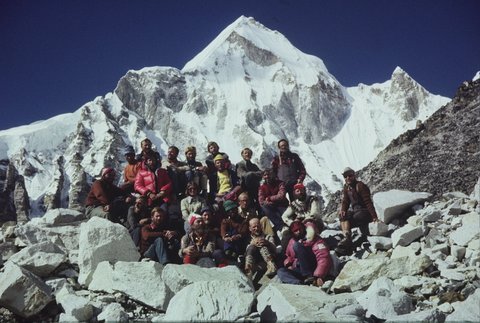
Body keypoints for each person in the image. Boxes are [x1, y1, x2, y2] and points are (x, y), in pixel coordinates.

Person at [335, 167, 379, 256]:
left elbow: (368, 202)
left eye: (350, 175)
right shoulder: (346, 188)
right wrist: (343, 210)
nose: (348, 178)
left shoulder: (360, 185)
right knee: (342, 216)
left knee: (355, 216)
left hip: (364, 212)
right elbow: (345, 201)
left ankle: (347, 242)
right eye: (345, 176)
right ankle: (347, 238)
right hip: (356, 212)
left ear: (354, 175)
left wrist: (374, 217)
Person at [277, 221, 331, 287]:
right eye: (295, 231)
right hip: (300, 269)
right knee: (281, 271)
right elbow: (289, 256)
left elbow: (323, 257)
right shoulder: (292, 241)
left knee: (297, 246)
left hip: (313, 268)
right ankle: (301, 285)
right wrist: (289, 264)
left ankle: (309, 276)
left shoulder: (315, 239)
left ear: (303, 228)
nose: (298, 232)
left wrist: (319, 275)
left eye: (300, 229)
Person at [258, 168, 289, 235]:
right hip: (271, 207)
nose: (267, 176)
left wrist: (269, 198)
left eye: (268, 174)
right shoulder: (262, 187)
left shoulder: (280, 183)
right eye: (265, 175)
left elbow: (281, 195)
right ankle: (281, 227)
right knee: (264, 207)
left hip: (282, 205)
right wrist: (271, 202)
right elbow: (261, 201)